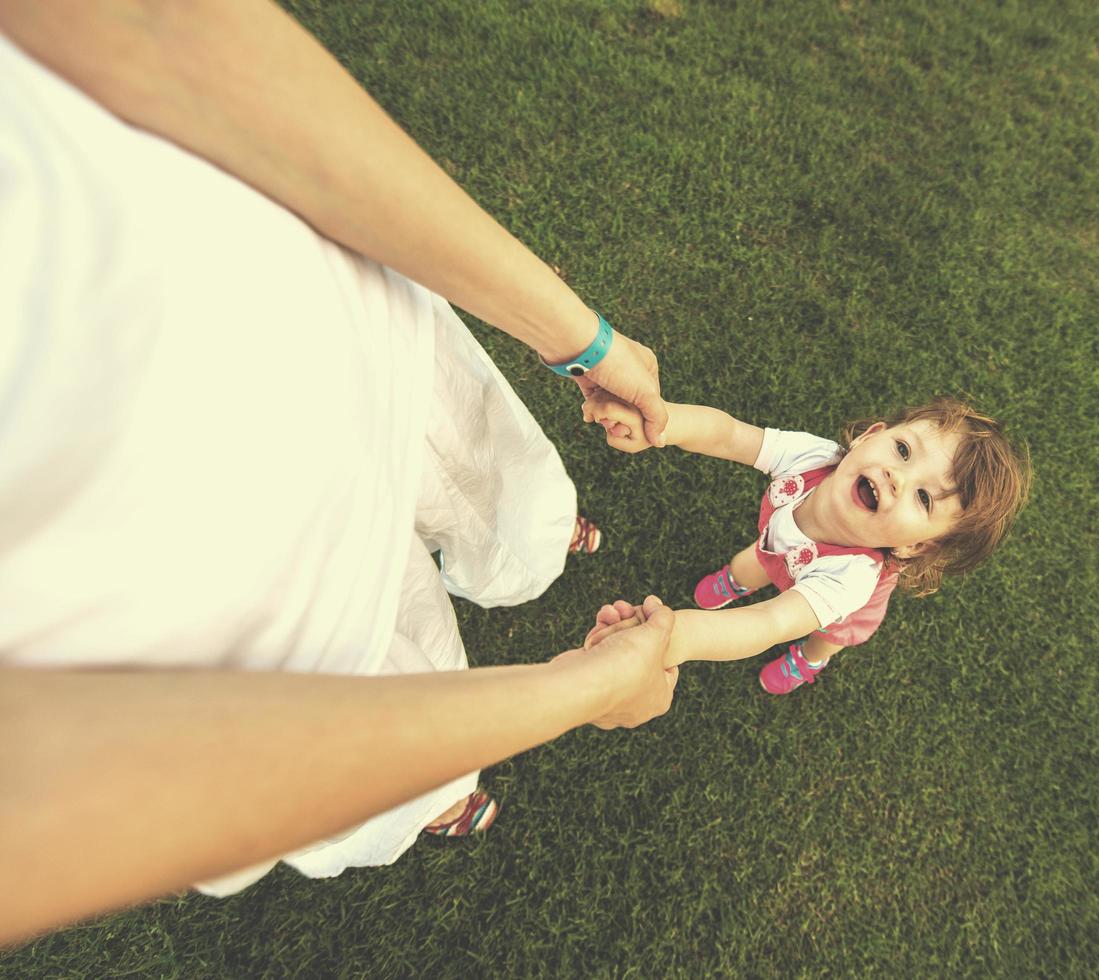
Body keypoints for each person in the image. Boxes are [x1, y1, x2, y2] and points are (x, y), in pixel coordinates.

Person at [0, 0, 673, 943]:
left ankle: (522, 542)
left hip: (316, 302)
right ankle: (431, 788)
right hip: (221, 616)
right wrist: (591, 690)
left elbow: (166, 30)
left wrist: (581, 340)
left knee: (481, 480)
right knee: (384, 665)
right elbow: (75, 792)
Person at [582, 394, 1032, 689]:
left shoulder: (851, 581)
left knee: (826, 636)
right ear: (871, 436)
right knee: (759, 558)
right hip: (779, 550)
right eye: (903, 450)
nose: (897, 477)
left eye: (923, 497)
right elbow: (730, 434)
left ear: (918, 546)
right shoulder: (815, 458)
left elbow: (767, 624)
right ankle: (738, 579)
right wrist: (663, 423)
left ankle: (811, 662)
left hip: (832, 610)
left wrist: (673, 637)